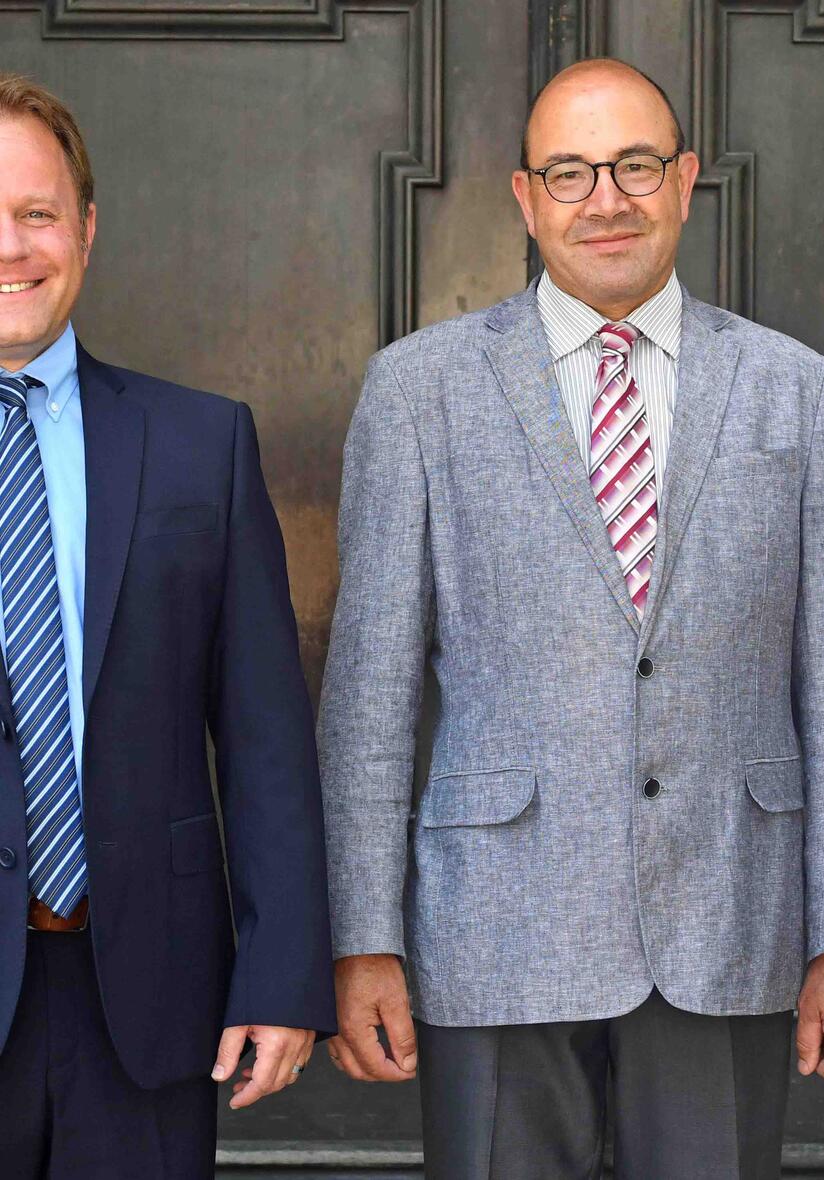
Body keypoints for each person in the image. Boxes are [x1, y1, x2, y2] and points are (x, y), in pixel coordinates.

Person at [319, 57, 824, 1180]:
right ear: (525, 197)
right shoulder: (417, 391)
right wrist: (361, 937)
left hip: (729, 920)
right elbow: (369, 702)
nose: (606, 198)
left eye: (634, 165)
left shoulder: (792, 389)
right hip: (492, 933)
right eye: (570, 172)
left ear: (685, 181)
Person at [0, 76, 336, 1178]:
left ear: (86, 230)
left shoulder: (201, 443)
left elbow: (264, 740)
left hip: (144, 1001)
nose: (12, 246)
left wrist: (284, 972)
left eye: (37, 213)